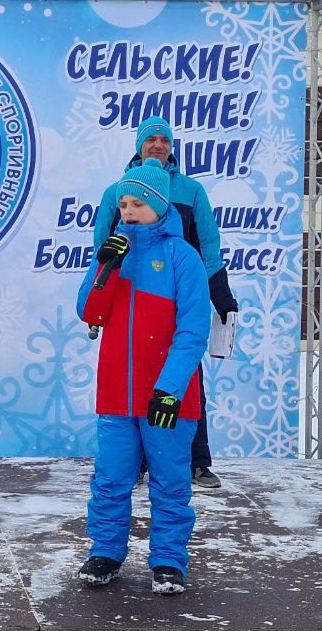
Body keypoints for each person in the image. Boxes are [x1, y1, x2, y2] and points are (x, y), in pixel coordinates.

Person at [76, 159, 210, 594]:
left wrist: (169, 390)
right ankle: (106, 552)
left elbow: (193, 331)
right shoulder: (113, 255)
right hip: (117, 396)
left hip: (168, 399)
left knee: (171, 481)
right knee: (111, 479)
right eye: (123, 205)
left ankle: (169, 560)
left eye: (137, 204)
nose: (128, 212)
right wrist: (106, 270)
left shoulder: (181, 257)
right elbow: (89, 312)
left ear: (158, 205)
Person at [93, 117, 236, 489]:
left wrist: (219, 293)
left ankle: (197, 462)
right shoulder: (115, 191)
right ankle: (136, 463)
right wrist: (101, 284)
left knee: (185, 379)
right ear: (139, 146)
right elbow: (101, 245)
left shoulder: (190, 190)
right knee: (131, 379)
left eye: (165, 140)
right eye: (151, 139)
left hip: (179, 295)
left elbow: (208, 243)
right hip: (130, 295)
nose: (158, 145)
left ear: (172, 147)